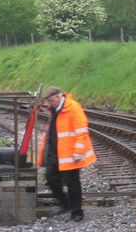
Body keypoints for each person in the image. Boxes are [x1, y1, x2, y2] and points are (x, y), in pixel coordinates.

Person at [37, 85, 96, 221]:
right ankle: (65, 204)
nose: (49, 104)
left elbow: (81, 131)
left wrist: (78, 151)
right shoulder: (55, 109)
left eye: (51, 101)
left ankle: (77, 212)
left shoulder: (73, 107)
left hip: (70, 154)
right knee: (50, 177)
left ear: (58, 97)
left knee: (72, 182)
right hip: (55, 152)